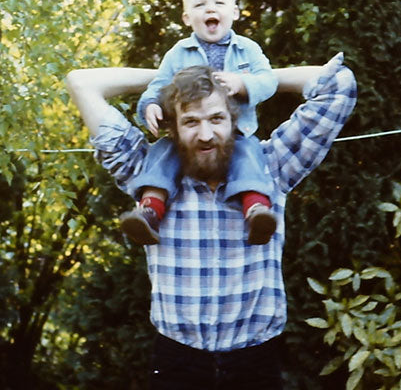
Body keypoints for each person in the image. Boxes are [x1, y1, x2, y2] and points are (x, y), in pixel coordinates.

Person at [65, 53, 356, 388]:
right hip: (178, 362)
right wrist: (173, 79)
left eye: (217, 118)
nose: (206, 134)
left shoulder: (272, 167)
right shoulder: (145, 173)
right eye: (191, 121)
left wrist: (249, 81)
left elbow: (339, 84)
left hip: (255, 362)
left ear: (234, 121)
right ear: (172, 127)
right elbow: (82, 83)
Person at [122, 0, 279, 246]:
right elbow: (158, 85)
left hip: (237, 132)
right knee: (161, 153)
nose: (211, 9)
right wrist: (150, 105)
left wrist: (243, 85)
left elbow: (268, 81)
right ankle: (150, 210)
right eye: (200, 4)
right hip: (187, 137)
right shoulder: (178, 53)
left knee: (249, 156)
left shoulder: (247, 49)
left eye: (219, 3)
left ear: (235, 11)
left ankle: (256, 211)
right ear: (186, 17)